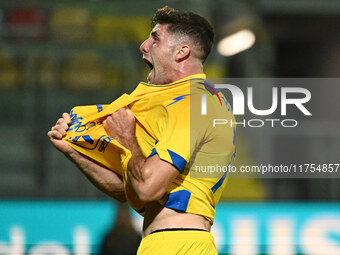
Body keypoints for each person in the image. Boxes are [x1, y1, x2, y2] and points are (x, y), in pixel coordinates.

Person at [48, 6, 236, 254]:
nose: (144, 45)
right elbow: (127, 189)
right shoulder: (185, 103)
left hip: (178, 244)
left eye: (156, 38)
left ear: (181, 52)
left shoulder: (195, 103)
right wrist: (72, 151)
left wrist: (127, 137)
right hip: (164, 242)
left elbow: (148, 188)